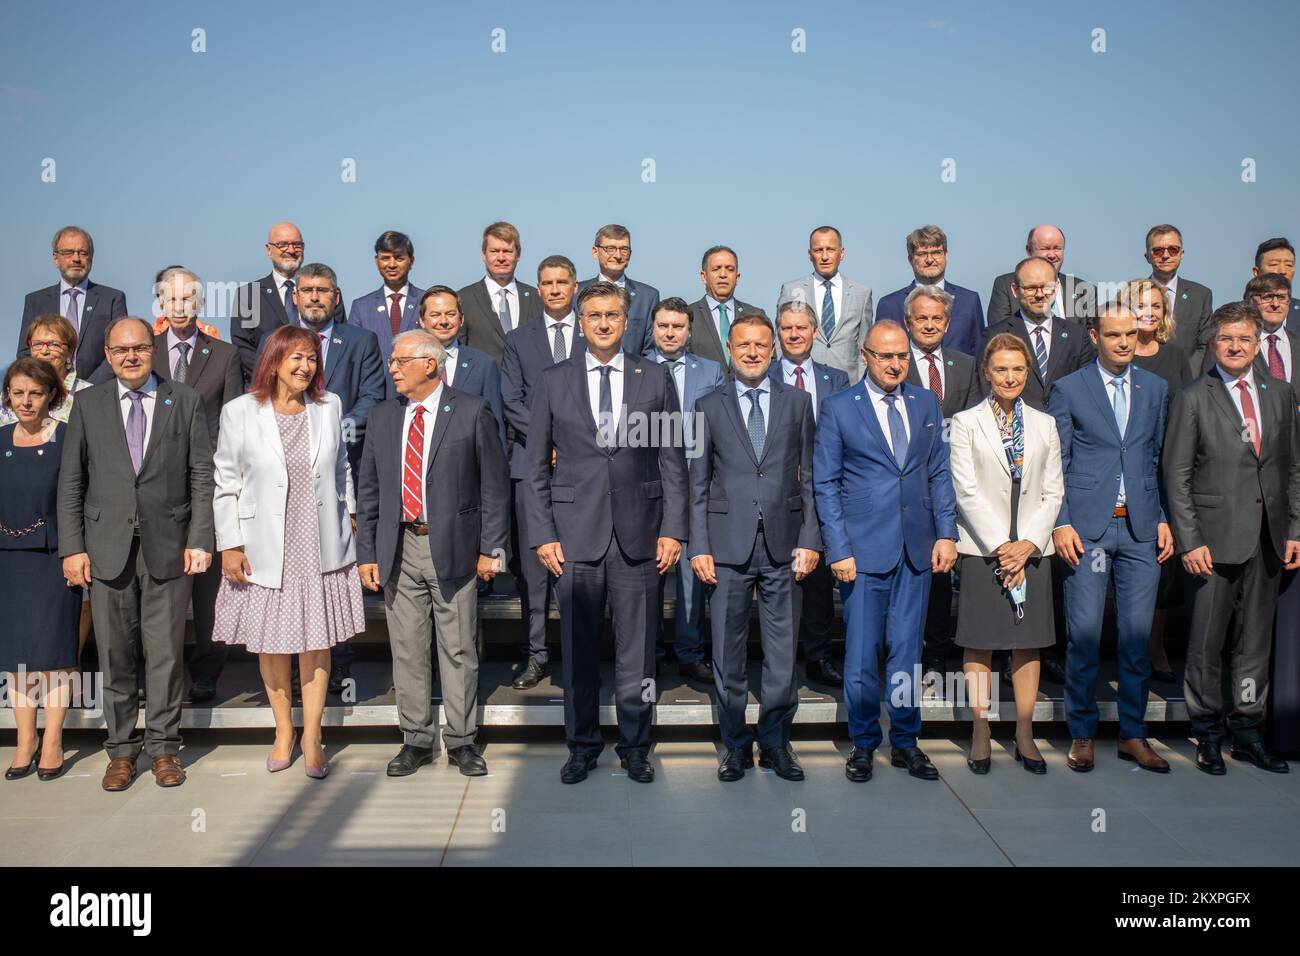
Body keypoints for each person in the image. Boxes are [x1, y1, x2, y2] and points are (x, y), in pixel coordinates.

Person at [525, 281, 689, 785]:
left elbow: (673, 460)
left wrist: (674, 529)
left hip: (641, 533)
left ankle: (636, 745)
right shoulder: (554, 380)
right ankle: (581, 745)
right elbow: (534, 467)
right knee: (577, 650)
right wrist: (543, 534)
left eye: (612, 315)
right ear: (579, 321)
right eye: (593, 315)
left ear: (625, 321)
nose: (602, 323)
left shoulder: (655, 377)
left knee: (637, 652)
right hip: (573, 536)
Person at [58, 316, 214, 791]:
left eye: (140, 349)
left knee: (165, 655)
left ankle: (165, 748)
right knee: (116, 654)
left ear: (154, 350)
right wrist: (73, 548)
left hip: (168, 549)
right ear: (107, 354)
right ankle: (122, 751)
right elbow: (72, 482)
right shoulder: (86, 404)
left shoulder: (183, 400)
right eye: (121, 350)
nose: (131, 357)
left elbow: (202, 476)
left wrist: (200, 538)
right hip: (106, 552)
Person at [211, 325, 365, 779]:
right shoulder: (241, 411)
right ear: (274, 361)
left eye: (312, 358)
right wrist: (230, 543)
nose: (305, 366)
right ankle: (283, 730)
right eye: (295, 357)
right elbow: (226, 482)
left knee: (316, 645)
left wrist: (350, 515)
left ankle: (313, 735)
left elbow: (340, 469)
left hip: (320, 539)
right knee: (273, 647)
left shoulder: (329, 406)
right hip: (264, 546)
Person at [357, 330, 509, 777]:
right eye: (391, 360)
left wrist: (490, 551)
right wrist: (367, 551)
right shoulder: (384, 416)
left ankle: (462, 741)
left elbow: (495, 488)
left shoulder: (471, 410)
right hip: (398, 547)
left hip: (456, 548)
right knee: (407, 649)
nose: (393, 368)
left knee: (459, 647)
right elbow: (370, 490)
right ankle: (416, 739)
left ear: (429, 363)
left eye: (400, 360)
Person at [814, 321, 958, 783]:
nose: (895, 364)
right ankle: (862, 744)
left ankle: (905, 742)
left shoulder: (926, 402)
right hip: (861, 552)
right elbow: (826, 483)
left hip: (916, 549)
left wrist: (946, 533)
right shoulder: (838, 408)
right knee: (860, 654)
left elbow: (939, 472)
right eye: (885, 356)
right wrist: (838, 549)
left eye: (902, 355)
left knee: (906, 654)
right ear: (865, 355)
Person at [1164, 302, 1300, 775]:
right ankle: (1206, 733)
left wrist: (1295, 528)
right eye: (1227, 339)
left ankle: (1246, 731)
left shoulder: (1281, 394)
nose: (1236, 346)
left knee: (1254, 643)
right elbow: (1175, 475)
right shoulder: (1193, 396)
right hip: (1211, 544)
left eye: (1245, 338)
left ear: (1258, 342)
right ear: (1214, 345)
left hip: (1269, 540)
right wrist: (1190, 539)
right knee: (1205, 644)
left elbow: (1293, 467)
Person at [690, 314, 820, 781]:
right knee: (727, 651)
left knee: (783, 651)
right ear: (729, 347)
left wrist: (810, 538)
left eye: (760, 345)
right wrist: (699, 545)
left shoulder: (798, 403)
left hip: (785, 545)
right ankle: (735, 746)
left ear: (773, 350)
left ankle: (776, 742)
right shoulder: (707, 406)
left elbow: (810, 479)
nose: (751, 352)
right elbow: (697, 484)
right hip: (726, 546)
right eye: (742, 344)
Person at [1050, 305, 1174, 773]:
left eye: (1131, 333)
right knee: (1083, 636)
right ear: (1095, 336)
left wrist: (1162, 516)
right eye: (1114, 334)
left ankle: (1132, 734)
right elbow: (1056, 463)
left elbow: (1158, 457)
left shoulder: (1156, 388)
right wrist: (1061, 521)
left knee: (1136, 639)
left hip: (1142, 528)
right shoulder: (1070, 388)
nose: (1124, 342)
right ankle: (1082, 734)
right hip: (1086, 528)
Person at [948, 333, 1063, 774]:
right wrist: (1001, 548)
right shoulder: (965, 422)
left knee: (1026, 644)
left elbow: (1054, 490)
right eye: (1002, 369)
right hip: (983, 548)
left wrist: (1029, 543)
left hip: (1032, 549)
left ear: (1028, 372)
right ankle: (981, 729)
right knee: (980, 643)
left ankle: (1025, 733)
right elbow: (966, 490)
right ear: (986, 373)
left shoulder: (1044, 423)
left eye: (1018, 369)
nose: (1010, 376)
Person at [276, 263, 383, 693]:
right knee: (294, 573)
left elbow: (374, 395)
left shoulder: (361, 340)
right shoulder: (279, 341)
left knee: (335, 568)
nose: (315, 297)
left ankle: (339, 663)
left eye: (324, 291)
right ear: (295, 297)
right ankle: (290, 667)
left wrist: (334, 428)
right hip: (287, 475)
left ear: (336, 297)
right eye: (307, 291)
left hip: (345, 465)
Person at [150, 267, 243, 704]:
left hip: (209, 482)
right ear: (160, 304)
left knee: (209, 591)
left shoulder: (223, 355)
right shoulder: (140, 352)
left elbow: (233, 421)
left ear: (200, 304)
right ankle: (157, 677)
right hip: (154, 486)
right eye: (173, 299)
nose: (181, 306)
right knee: (161, 586)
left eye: (189, 299)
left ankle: (207, 672)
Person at [500, 255, 585, 689]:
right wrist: (544, 442)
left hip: (581, 470)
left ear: (574, 286)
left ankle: (577, 654)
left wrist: (567, 442)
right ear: (538, 289)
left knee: (577, 567)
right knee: (534, 570)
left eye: (561, 282)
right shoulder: (519, 339)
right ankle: (536, 654)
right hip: (530, 467)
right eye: (546, 283)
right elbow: (511, 399)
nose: (554, 289)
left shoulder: (593, 333)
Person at [1, 359, 80, 781]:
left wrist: (75, 551)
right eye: (17, 393)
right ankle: (25, 740)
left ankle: (52, 740)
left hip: (54, 558)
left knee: (53, 656)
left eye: (34, 392)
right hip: (8, 559)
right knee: (17, 659)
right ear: (7, 396)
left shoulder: (67, 438)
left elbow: (78, 497)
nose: (26, 401)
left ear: (52, 394)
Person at [900, 285, 983, 675]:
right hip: (914, 486)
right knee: (922, 568)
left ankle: (947, 649)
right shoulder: (897, 365)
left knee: (952, 569)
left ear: (948, 324)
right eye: (922, 318)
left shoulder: (966, 365)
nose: (929, 325)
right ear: (908, 322)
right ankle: (914, 650)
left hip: (962, 482)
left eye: (937, 318)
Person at [5, 316, 95, 662]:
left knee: (77, 600)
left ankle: (65, 669)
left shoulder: (88, 394)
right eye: (38, 343)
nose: (45, 350)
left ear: (70, 351)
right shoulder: (10, 392)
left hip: (68, 514)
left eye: (54, 344)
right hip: (17, 519)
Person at [768, 300, 849, 685]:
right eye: (787, 328)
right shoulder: (761, 375)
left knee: (817, 579)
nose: (795, 334)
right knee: (778, 578)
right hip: (774, 491)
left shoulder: (837, 380)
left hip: (822, 491)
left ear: (815, 332)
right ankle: (781, 659)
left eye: (802, 328)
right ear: (777, 333)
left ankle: (818, 656)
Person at [1118, 277, 1191, 684]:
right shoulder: (1116, 352)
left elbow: (1183, 412)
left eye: (1156, 307)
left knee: (1162, 565)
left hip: (1161, 467)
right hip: (1121, 471)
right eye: (1140, 305)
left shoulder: (1176, 356)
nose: (1149, 313)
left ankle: (1155, 644)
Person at [648, 297, 724, 684]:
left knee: (692, 574)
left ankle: (690, 653)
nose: (670, 332)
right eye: (663, 326)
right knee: (649, 573)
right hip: (649, 484)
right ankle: (650, 651)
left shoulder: (711, 371)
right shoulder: (637, 368)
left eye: (678, 326)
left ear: (689, 331)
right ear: (653, 328)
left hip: (696, 482)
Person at [1241, 273, 1300, 755]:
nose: (1273, 303)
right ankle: (1231, 729)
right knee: (1233, 636)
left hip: (1283, 518)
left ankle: (1269, 729)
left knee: (1265, 636)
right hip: (1232, 525)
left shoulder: (1284, 383)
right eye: (1264, 296)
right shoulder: (1214, 375)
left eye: (1280, 296)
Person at [229, 222, 346, 383]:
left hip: (322, 385)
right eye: (282, 244)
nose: (291, 250)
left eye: (296, 245)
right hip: (268, 388)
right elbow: (244, 348)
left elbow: (339, 339)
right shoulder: (250, 294)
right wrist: (279, 378)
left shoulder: (325, 292)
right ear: (269, 250)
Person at [983, 256, 1096, 412]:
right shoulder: (994, 336)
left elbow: (1087, 389)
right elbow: (983, 390)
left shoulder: (1077, 336)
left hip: (1065, 428)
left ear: (1056, 287)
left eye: (1046, 287)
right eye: (1030, 288)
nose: (1040, 294)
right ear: (1015, 290)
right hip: (1014, 427)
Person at [17, 226, 126, 384]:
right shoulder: (36, 301)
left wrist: (87, 389)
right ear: (55, 258)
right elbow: (25, 352)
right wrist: (48, 386)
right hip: (48, 392)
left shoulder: (112, 299)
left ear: (91, 258)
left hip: (96, 393)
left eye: (83, 253)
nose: (76, 258)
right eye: (68, 252)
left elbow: (118, 349)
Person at [774, 226, 874, 381]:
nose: (825, 256)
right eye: (818, 250)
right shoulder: (792, 290)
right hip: (802, 383)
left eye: (831, 249)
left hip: (849, 386)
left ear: (841, 253)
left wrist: (859, 381)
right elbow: (781, 341)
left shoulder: (861, 293)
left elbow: (864, 346)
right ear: (810, 254)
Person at [417, 285, 506, 452]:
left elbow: (495, 425)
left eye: (450, 314)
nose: (443, 321)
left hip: (468, 466)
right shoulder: (406, 363)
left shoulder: (483, 365)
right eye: (435, 315)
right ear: (422, 320)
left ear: (461, 319)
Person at [876, 224, 985, 356]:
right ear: (910, 260)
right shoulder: (890, 305)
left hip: (959, 375)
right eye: (922, 254)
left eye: (936, 253)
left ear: (946, 255)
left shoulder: (969, 301)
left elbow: (979, 352)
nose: (929, 260)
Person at [347, 231, 425, 398]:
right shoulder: (361, 307)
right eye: (385, 258)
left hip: (418, 393)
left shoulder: (426, 302)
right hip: (375, 397)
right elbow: (353, 357)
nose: (391, 264)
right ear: (377, 261)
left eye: (398, 258)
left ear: (411, 261)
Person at [457, 221, 543, 361]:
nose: (501, 258)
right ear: (483, 255)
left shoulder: (537, 297)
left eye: (508, 251)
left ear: (518, 255)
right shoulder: (463, 299)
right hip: (483, 382)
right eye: (494, 251)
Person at [577, 224, 660, 357]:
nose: (618, 255)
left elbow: (651, 348)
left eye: (624, 249)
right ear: (595, 251)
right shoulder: (576, 293)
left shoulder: (647, 297)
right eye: (610, 249)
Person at [987, 225, 1096, 326]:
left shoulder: (1083, 290)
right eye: (1045, 248)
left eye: (1057, 248)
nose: (1052, 255)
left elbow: (1094, 338)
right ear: (1029, 251)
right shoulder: (1005, 285)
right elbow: (999, 333)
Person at [1144, 224, 1213, 371]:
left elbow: (1204, 345)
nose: (1166, 255)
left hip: (1187, 382)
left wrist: (1186, 376)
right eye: (1158, 251)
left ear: (1181, 254)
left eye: (1173, 250)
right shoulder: (1133, 295)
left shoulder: (1200, 296)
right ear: (1147, 257)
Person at [689, 246, 768, 368]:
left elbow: (769, 360)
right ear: (703, 276)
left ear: (737, 277)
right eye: (716, 269)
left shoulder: (755, 314)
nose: (723, 274)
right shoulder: (689, 316)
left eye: (730, 269)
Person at [149, 265, 221, 339]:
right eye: (172, 299)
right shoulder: (148, 334)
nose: (179, 308)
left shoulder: (208, 332)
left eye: (185, 299)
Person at [1252, 238, 1300, 333]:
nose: (1282, 271)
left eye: (1289, 265)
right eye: (1274, 264)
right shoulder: (1234, 314)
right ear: (1256, 272)